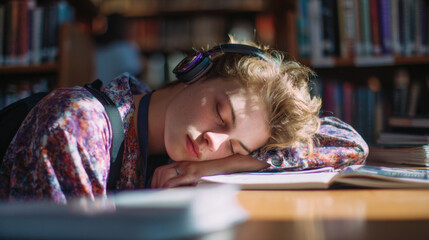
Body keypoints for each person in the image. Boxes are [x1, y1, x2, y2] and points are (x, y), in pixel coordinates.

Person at [0, 40, 368, 203]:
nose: (214, 142)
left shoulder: (151, 125)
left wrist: (240, 161)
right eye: (222, 114)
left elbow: (350, 145)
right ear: (196, 72)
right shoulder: (78, 125)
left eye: (235, 146)